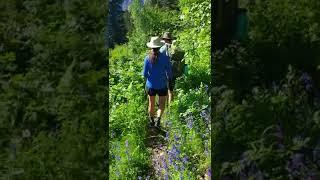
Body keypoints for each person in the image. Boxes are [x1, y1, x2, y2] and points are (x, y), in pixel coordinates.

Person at [143, 36, 172, 127]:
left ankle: (151, 121)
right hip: (162, 85)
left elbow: (144, 74)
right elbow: (169, 72)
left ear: (151, 47)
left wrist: (150, 78)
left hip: (151, 85)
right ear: (159, 47)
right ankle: (158, 120)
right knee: (162, 104)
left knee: (151, 104)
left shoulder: (147, 58)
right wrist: (168, 79)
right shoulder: (165, 58)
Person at [160, 32, 185, 104]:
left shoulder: (162, 49)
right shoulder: (175, 48)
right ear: (171, 39)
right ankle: (171, 107)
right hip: (174, 72)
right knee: (171, 91)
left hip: (165, 73)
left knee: (166, 91)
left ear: (164, 39)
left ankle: (168, 109)